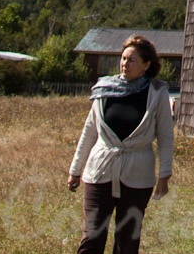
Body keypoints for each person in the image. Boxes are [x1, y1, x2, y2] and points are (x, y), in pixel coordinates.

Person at [68, 35, 174, 254]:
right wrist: (75, 170)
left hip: (137, 175)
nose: (125, 63)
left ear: (146, 65)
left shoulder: (156, 93)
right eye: (123, 58)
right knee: (91, 238)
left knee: (127, 241)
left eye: (132, 60)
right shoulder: (104, 89)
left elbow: (165, 136)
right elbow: (89, 133)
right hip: (100, 171)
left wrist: (164, 176)